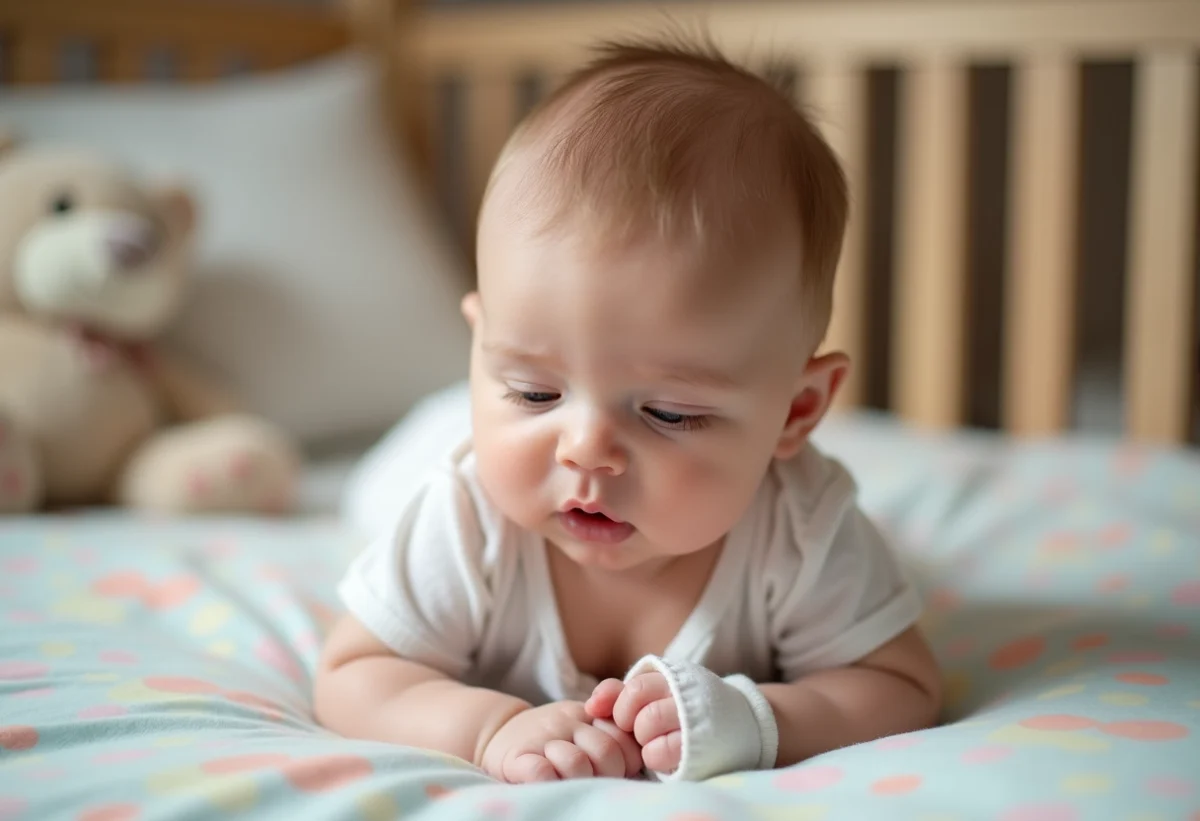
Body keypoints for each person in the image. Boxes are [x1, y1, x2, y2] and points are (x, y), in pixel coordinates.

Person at [314, 37, 942, 785]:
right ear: (481, 345)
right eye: (536, 390)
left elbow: (900, 683)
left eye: (669, 413)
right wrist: (490, 726)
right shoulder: (464, 511)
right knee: (377, 491)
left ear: (795, 411)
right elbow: (355, 671)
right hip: (423, 445)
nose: (586, 448)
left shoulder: (802, 531)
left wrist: (760, 718)